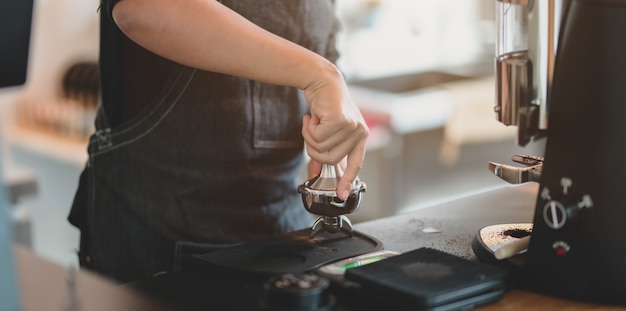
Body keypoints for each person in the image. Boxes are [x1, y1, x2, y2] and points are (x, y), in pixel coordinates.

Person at [68, 0, 369, 283]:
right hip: (156, 240)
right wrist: (320, 75)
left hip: (283, 230)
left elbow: (321, 39)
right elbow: (141, 8)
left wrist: (329, 123)